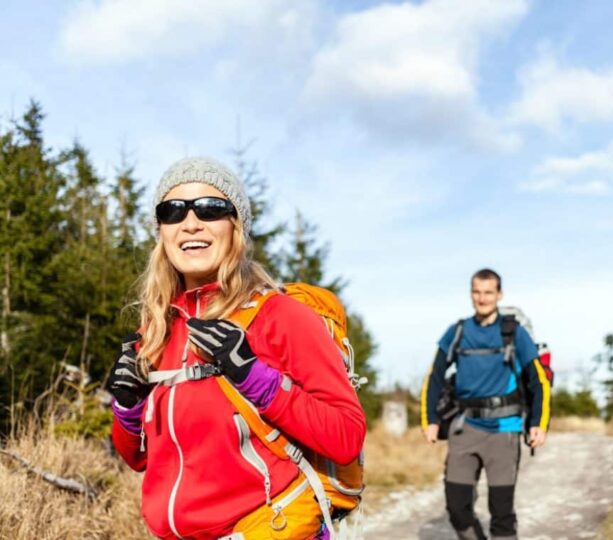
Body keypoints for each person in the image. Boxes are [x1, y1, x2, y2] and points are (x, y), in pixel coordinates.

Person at [107, 156, 366, 539]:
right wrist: (128, 410)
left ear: (236, 226)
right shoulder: (158, 329)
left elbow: (345, 436)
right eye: (173, 211)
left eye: (211, 209)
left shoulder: (280, 316)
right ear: (161, 231)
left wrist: (255, 378)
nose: (191, 223)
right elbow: (140, 458)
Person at [421, 269, 551, 540]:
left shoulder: (514, 332)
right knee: (457, 508)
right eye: (477, 292)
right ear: (471, 294)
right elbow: (434, 376)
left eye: (488, 292)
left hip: (504, 431)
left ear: (499, 295)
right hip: (464, 428)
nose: (482, 298)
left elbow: (538, 379)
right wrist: (430, 420)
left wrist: (539, 422)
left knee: (501, 513)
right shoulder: (457, 331)